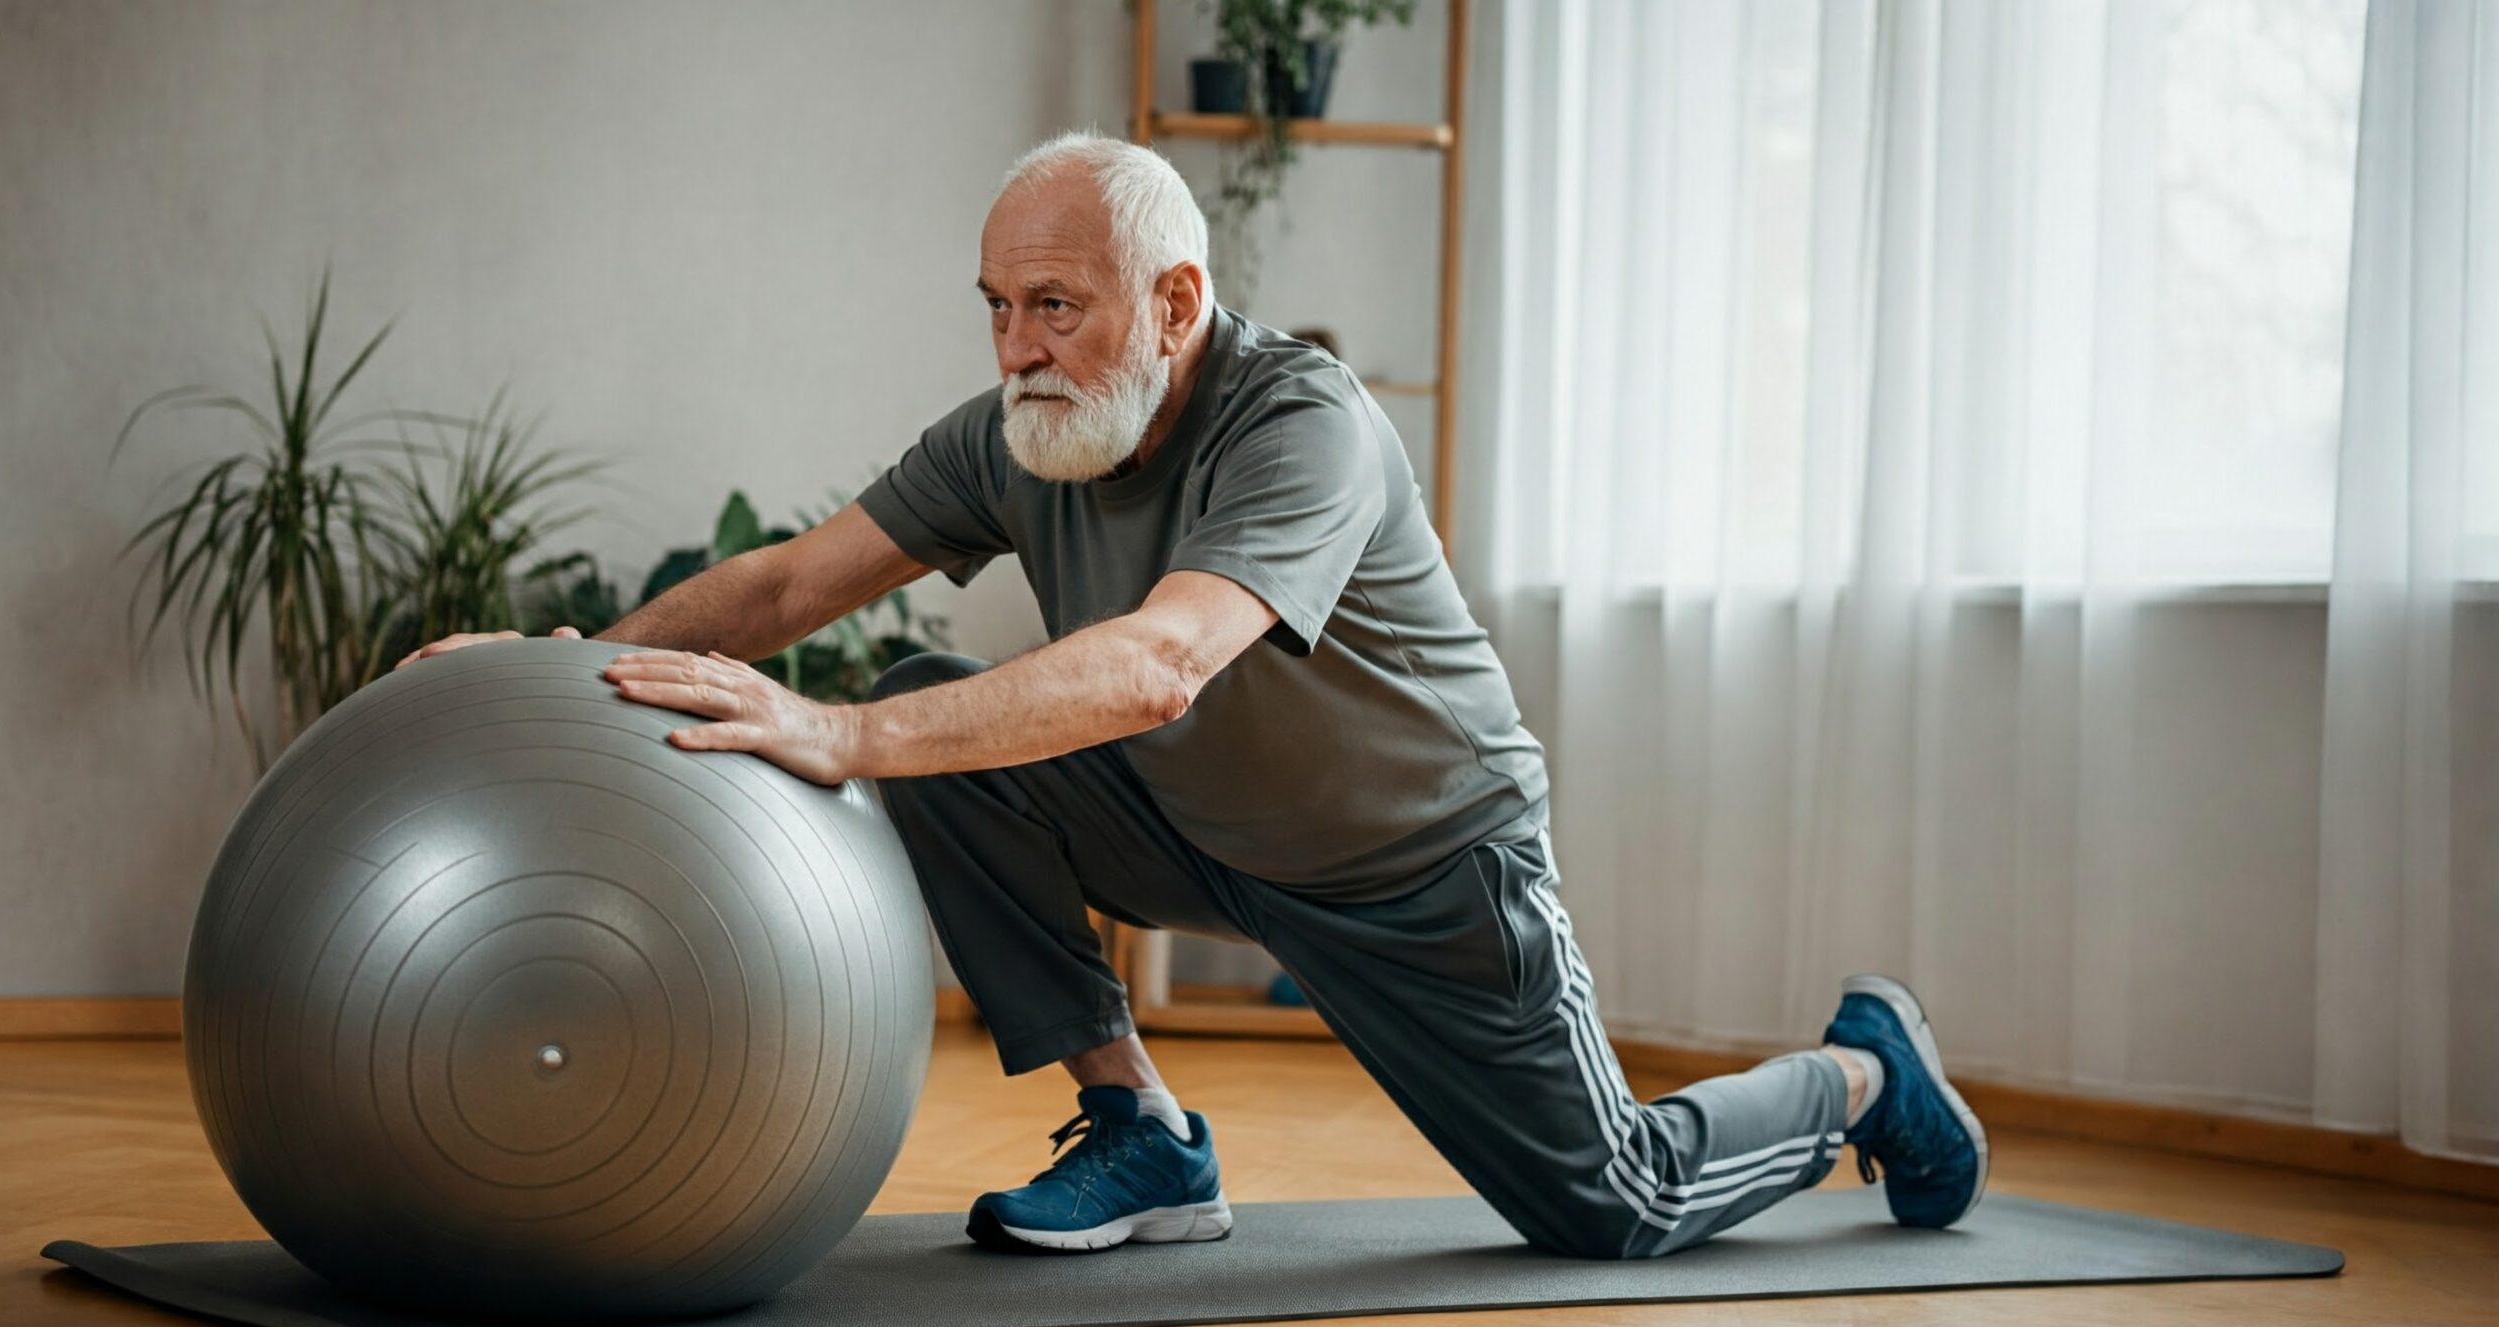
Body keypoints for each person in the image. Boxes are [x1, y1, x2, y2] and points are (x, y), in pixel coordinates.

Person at [400, 132, 1986, 1259]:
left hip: (1422, 871)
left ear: (1172, 303)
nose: (1019, 349)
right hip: (1196, 829)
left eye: (1057, 307)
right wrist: (562, 666)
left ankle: (1865, 1068)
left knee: (1614, 1207)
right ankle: (1143, 1132)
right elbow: (790, 585)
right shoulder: (1020, 428)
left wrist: (846, 737)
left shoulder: (1304, 426)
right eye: (997, 307)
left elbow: (1164, 661)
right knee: (933, 700)